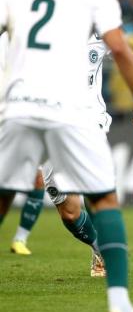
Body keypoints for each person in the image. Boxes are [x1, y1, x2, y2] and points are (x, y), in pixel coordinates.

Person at [0, 0, 133, 312]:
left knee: (28, 200)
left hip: (30, 110)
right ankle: (120, 303)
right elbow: (123, 54)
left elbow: (124, 55)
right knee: (102, 200)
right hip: (64, 111)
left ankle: (102, 262)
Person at [7, 33, 112, 277]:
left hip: (89, 123)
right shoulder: (36, 33)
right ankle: (99, 249)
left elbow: (130, 58)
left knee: (93, 187)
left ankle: (108, 253)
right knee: (69, 212)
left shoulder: (99, 33)